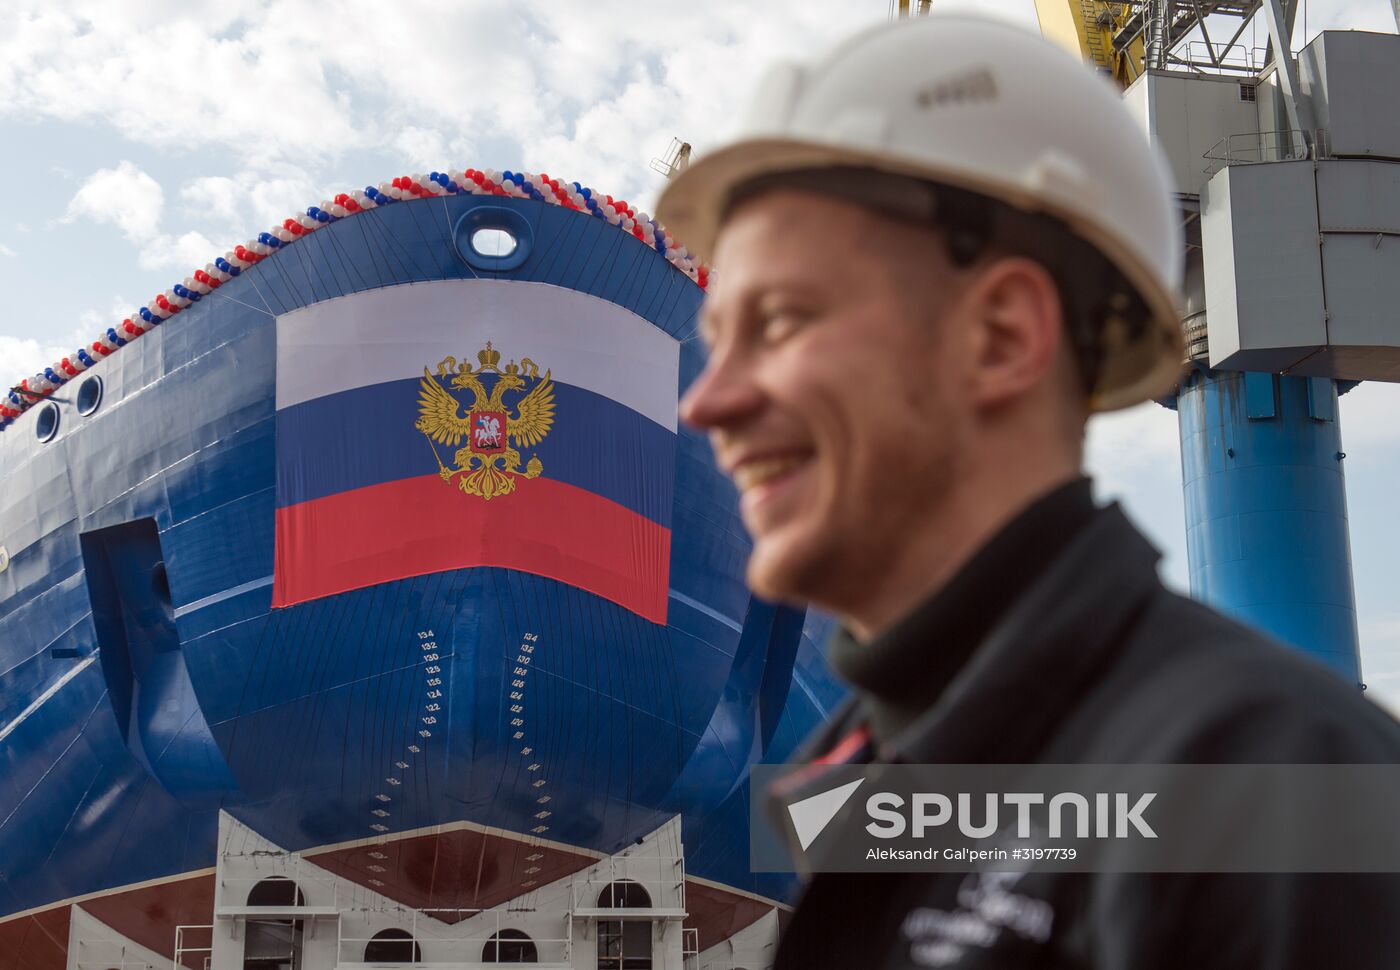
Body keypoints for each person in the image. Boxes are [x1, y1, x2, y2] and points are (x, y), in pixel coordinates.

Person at [656, 13, 1400, 969]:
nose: (706, 403)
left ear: (1003, 334)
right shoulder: (854, 774)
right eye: (718, 343)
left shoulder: (1277, 782)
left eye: (783, 320)